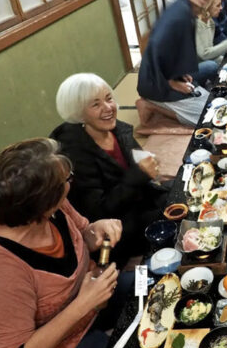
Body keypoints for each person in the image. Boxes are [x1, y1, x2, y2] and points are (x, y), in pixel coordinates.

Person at [0, 138, 128, 348]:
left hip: (89, 300)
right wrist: (83, 304)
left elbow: (83, 233)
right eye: (67, 180)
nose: (70, 183)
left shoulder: (52, 207)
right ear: (41, 203)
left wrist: (96, 230)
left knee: (154, 286)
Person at [50, 73, 167, 265]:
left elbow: (138, 163)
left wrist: (147, 166)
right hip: (116, 226)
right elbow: (98, 211)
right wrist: (140, 174)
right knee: (170, 220)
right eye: (95, 104)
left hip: (138, 198)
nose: (108, 108)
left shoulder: (114, 129)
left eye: (109, 98)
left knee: (181, 193)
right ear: (78, 111)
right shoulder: (74, 153)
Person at [137, 0, 219, 126]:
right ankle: (150, 106)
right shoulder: (179, 16)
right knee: (208, 119)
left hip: (167, 75)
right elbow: (156, 48)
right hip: (155, 82)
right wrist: (171, 82)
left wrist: (180, 74)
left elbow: (175, 50)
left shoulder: (186, 8)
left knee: (210, 103)